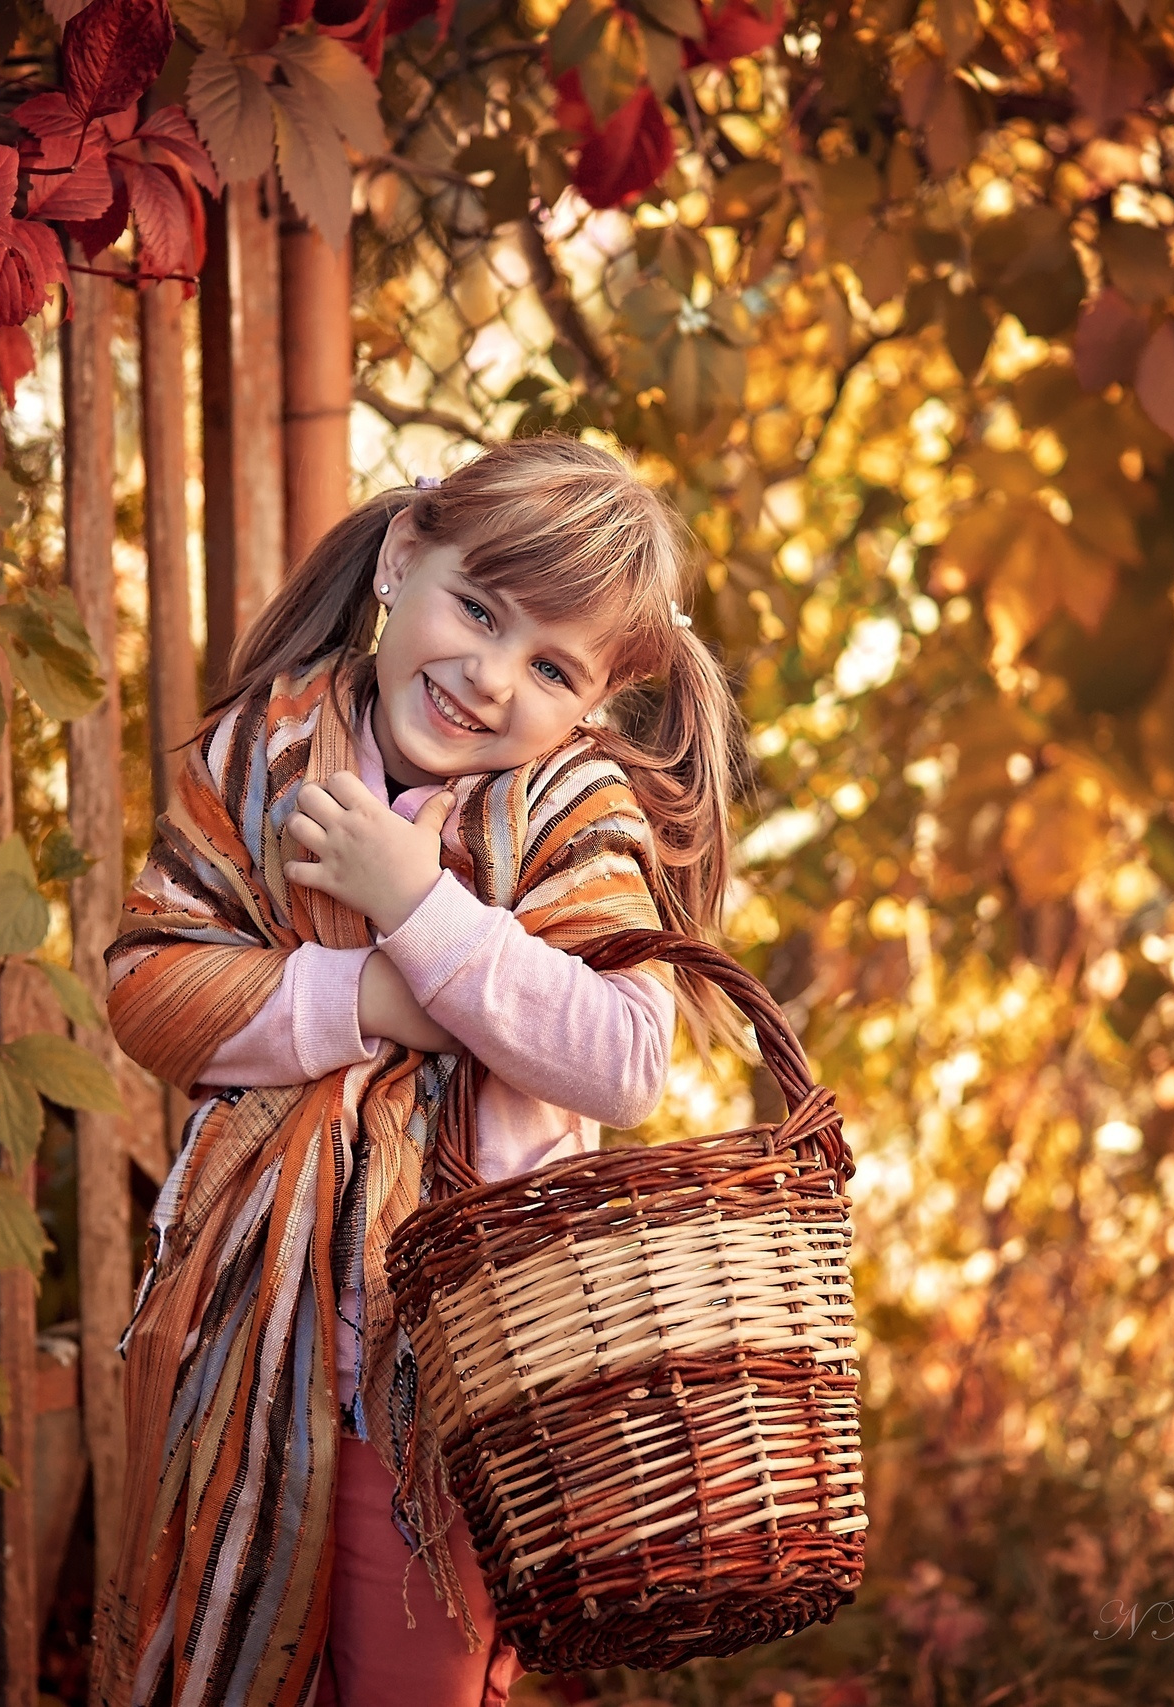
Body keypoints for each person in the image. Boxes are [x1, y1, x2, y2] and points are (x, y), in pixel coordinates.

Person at [89, 437, 745, 1707]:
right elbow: (153, 987)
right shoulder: (257, 761)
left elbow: (624, 1057)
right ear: (403, 557)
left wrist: (417, 909)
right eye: (477, 610)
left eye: (550, 666)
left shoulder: (567, 811)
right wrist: (381, 996)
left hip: (446, 1386)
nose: (490, 680)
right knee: (228, 1657)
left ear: (592, 703)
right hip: (250, 1343)